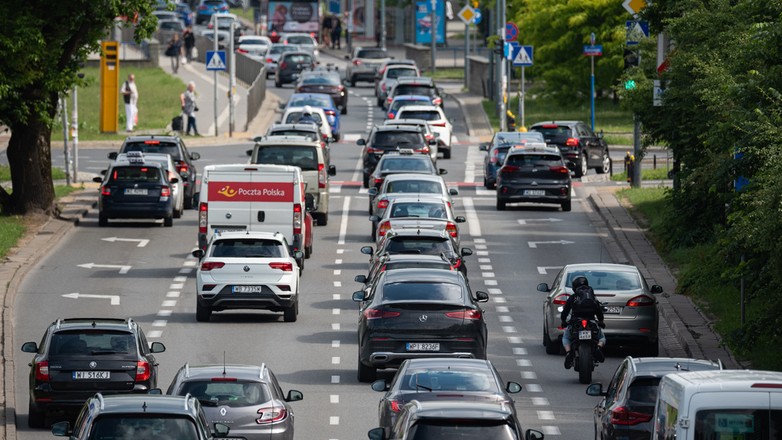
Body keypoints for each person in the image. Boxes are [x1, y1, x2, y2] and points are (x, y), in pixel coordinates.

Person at [560, 275, 606, 369]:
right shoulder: (592, 297)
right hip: (591, 322)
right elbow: (598, 311)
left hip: (576, 322)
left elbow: (565, 311)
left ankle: (568, 352)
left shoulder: (573, 297)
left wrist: (563, 321)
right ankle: (598, 347)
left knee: (566, 337)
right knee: (601, 337)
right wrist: (601, 321)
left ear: (574, 287)